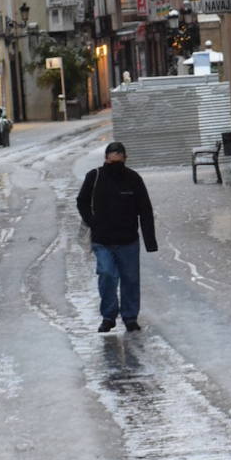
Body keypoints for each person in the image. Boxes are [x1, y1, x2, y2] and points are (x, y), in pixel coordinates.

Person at [76, 141, 157, 333]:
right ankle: (108, 316)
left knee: (130, 279)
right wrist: (92, 221)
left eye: (119, 157)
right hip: (102, 239)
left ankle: (130, 317)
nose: (116, 162)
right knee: (107, 274)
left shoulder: (133, 179)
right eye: (112, 158)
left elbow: (145, 209)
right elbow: (82, 201)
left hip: (128, 239)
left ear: (125, 158)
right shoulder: (94, 176)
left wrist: (150, 241)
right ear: (106, 158)